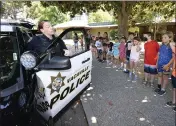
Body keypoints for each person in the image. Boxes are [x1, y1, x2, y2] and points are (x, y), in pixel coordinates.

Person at [166, 41, 176, 112]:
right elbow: (173, 60)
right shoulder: (173, 52)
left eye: (172, 45)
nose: (171, 46)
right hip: (174, 73)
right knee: (174, 88)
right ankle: (173, 102)